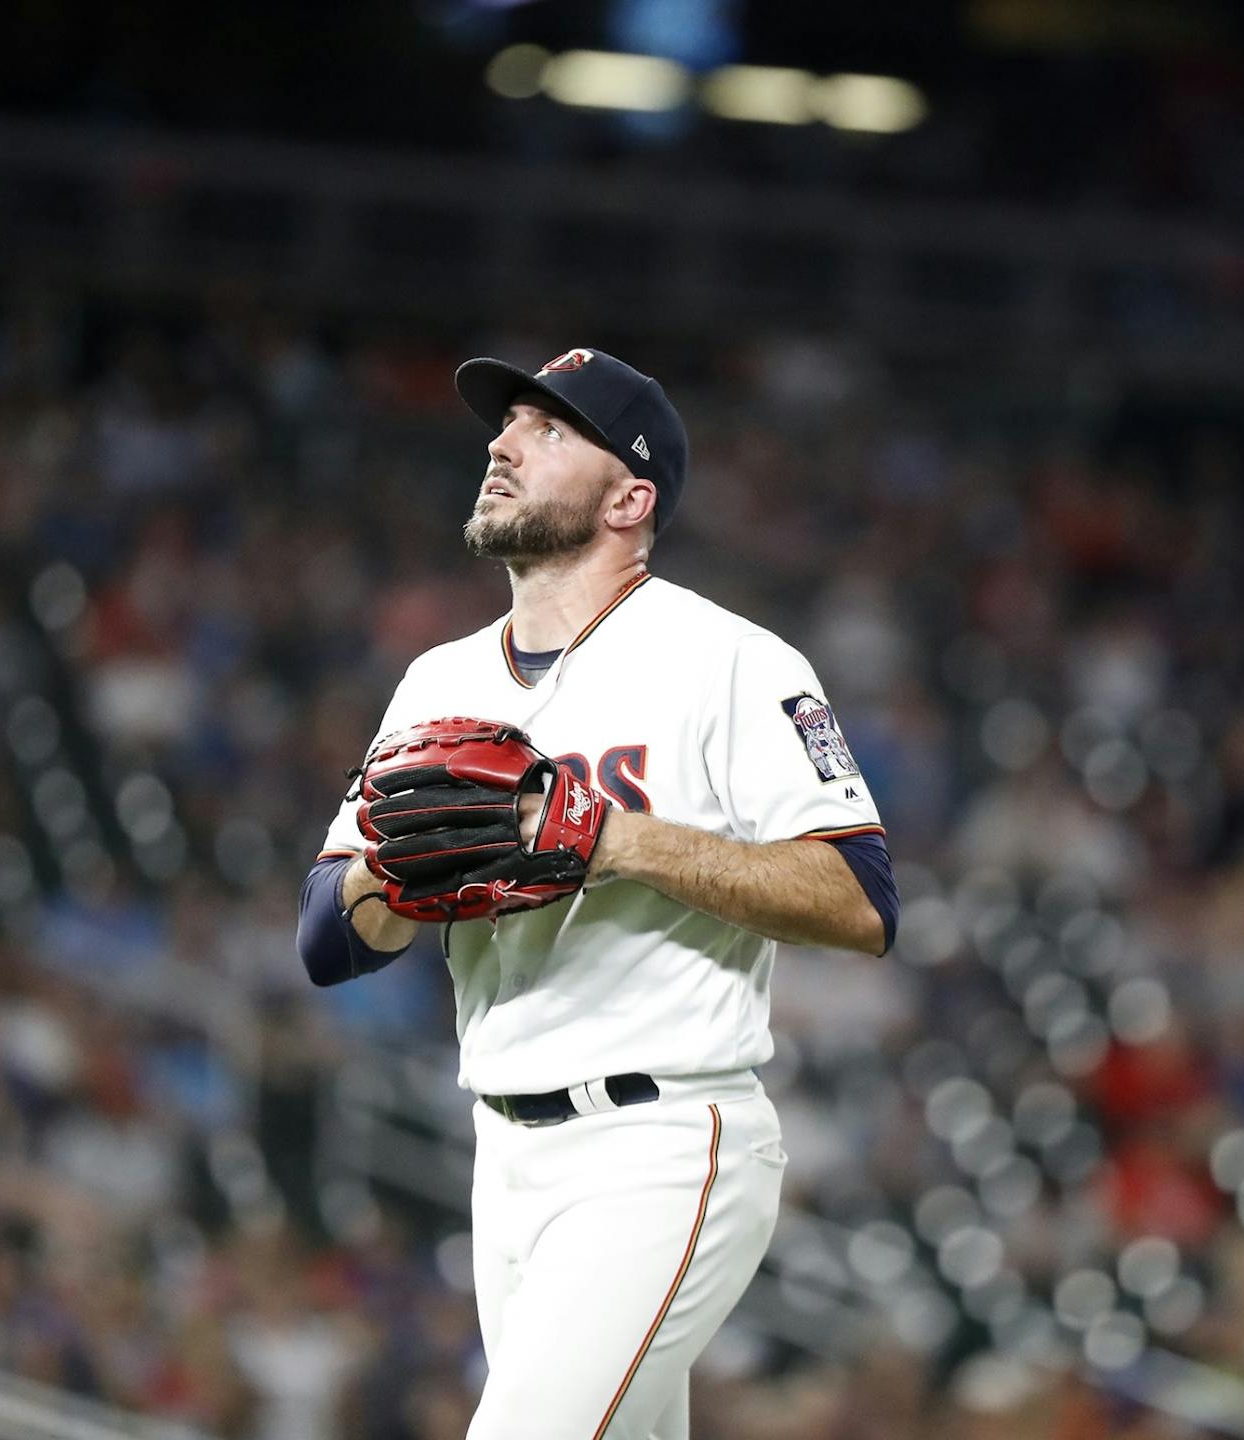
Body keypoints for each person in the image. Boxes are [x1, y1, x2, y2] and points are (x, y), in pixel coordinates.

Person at [295, 347, 899, 1440]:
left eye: (547, 430)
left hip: (665, 1137)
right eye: (506, 425)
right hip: (506, 1149)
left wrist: (615, 839)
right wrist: (405, 875)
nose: (501, 444)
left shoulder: (730, 660)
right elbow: (326, 940)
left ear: (632, 496)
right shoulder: (439, 682)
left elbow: (859, 898)